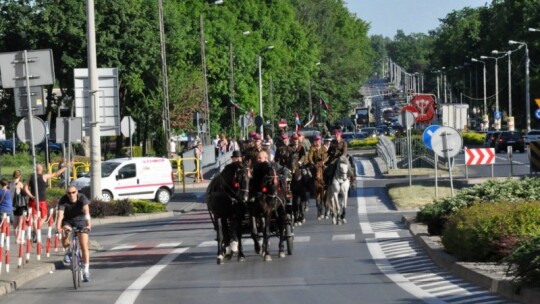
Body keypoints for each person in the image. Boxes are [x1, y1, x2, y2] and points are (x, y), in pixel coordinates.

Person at [25, 163, 69, 242]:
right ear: (41, 169)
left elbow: (25, 188)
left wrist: (31, 196)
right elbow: (56, 174)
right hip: (42, 200)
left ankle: (35, 231)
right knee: (44, 217)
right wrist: (65, 168)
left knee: (34, 218)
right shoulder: (44, 176)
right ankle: (37, 230)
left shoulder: (30, 177)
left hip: (33, 200)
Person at [56, 186, 92, 282]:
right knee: (65, 233)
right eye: (69, 193)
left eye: (73, 192)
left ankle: (86, 271)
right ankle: (69, 251)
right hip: (68, 221)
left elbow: (86, 212)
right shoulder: (63, 200)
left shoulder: (82, 198)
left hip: (81, 221)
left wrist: (88, 225)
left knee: (84, 246)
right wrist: (58, 228)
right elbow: (60, 216)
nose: (71, 195)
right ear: (66, 193)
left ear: (77, 192)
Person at [10, 170, 27, 244]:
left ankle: (16, 236)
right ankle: (18, 238)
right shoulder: (20, 183)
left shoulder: (10, 183)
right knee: (20, 222)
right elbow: (25, 194)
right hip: (20, 204)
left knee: (15, 222)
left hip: (12, 204)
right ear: (20, 176)